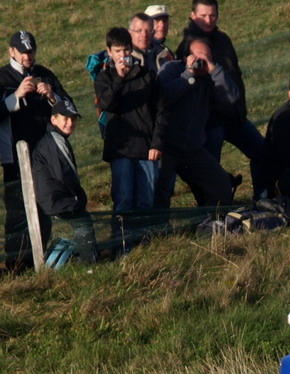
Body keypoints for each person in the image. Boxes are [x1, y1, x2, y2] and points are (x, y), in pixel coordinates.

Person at [175, 0, 266, 199]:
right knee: (210, 169)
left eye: (213, 15)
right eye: (203, 15)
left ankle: (263, 195)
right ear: (192, 16)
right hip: (210, 122)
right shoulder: (188, 46)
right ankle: (211, 209)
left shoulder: (223, 40)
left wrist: (239, 107)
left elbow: (235, 73)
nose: (208, 20)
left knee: (263, 152)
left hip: (234, 116)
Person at [1, 30, 71, 272]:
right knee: (17, 212)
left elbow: (69, 107)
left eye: (31, 51)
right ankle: (16, 265)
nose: (28, 56)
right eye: (23, 52)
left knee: (44, 206)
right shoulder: (2, 78)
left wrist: (53, 97)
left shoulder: (44, 74)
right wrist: (17, 96)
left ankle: (39, 259)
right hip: (14, 158)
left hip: (46, 156)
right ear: (12, 51)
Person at [94, 27, 163, 245]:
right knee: (123, 199)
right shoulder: (104, 78)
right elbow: (106, 104)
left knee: (146, 201)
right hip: (120, 149)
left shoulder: (148, 76)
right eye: (117, 51)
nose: (122, 55)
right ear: (109, 52)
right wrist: (120, 78)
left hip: (147, 148)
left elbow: (162, 111)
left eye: (125, 50)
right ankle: (121, 245)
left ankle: (144, 244)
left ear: (131, 50)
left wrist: (157, 143)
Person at [155, 37, 239, 208]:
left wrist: (214, 70)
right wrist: (188, 76)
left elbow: (232, 98)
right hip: (166, 147)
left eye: (206, 57)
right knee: (160, 188)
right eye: (197, 57)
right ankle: (159, 229)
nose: (201, 62)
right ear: (186, 57)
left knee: (221, 183)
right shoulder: (172, 69)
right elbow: (161, 98)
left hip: (193, 149)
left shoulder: (211, 77)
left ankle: (214, 220)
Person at [30, 100, 97, 264]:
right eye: (65, 118)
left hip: (52, 197)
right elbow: (65, 173)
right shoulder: (54, 139)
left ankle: (78, 259)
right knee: (83, 222)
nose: (70, 123)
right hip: (56, 198)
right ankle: (89, 263)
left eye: (73, 119)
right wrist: (78, 197)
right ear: (53, 120)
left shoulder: (53, 137)